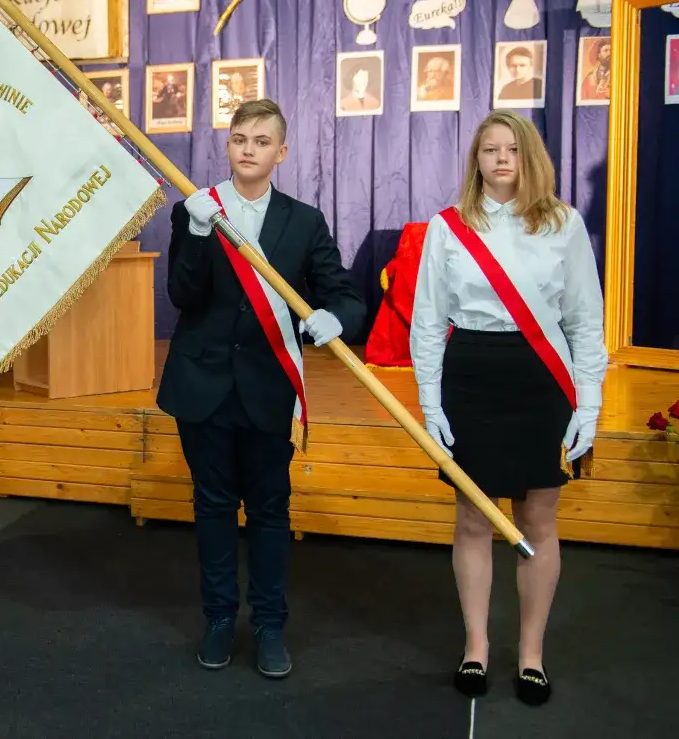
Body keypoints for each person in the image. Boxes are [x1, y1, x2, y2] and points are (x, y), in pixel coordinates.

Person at [155, 99, 365, 677]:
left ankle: (270, 625)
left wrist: (336, 319)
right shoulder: (197, 211)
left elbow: (342, 291)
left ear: (281, 152)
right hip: (203, 388)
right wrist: (197, 232)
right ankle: (220, 618)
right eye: (239, 138)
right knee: (214, 508)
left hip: (269, 388)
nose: (248, 149)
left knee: (271, 512)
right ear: (228, 145)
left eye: (261, 141)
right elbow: (183, 295)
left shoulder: (303, 221)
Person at [410, 110, 606, 705]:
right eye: (488, 149)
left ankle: (531, 655)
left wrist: (590, 404)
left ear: (530, 158)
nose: (500, 159)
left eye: (511, 149)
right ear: (475, 160)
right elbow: (426, 321)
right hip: (470, 376)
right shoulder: (448, 227)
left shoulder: (564, 224)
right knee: (473, 520)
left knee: (537, 522)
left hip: (541, 378)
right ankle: (476, 648)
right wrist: (430, 401)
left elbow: (585, 322)